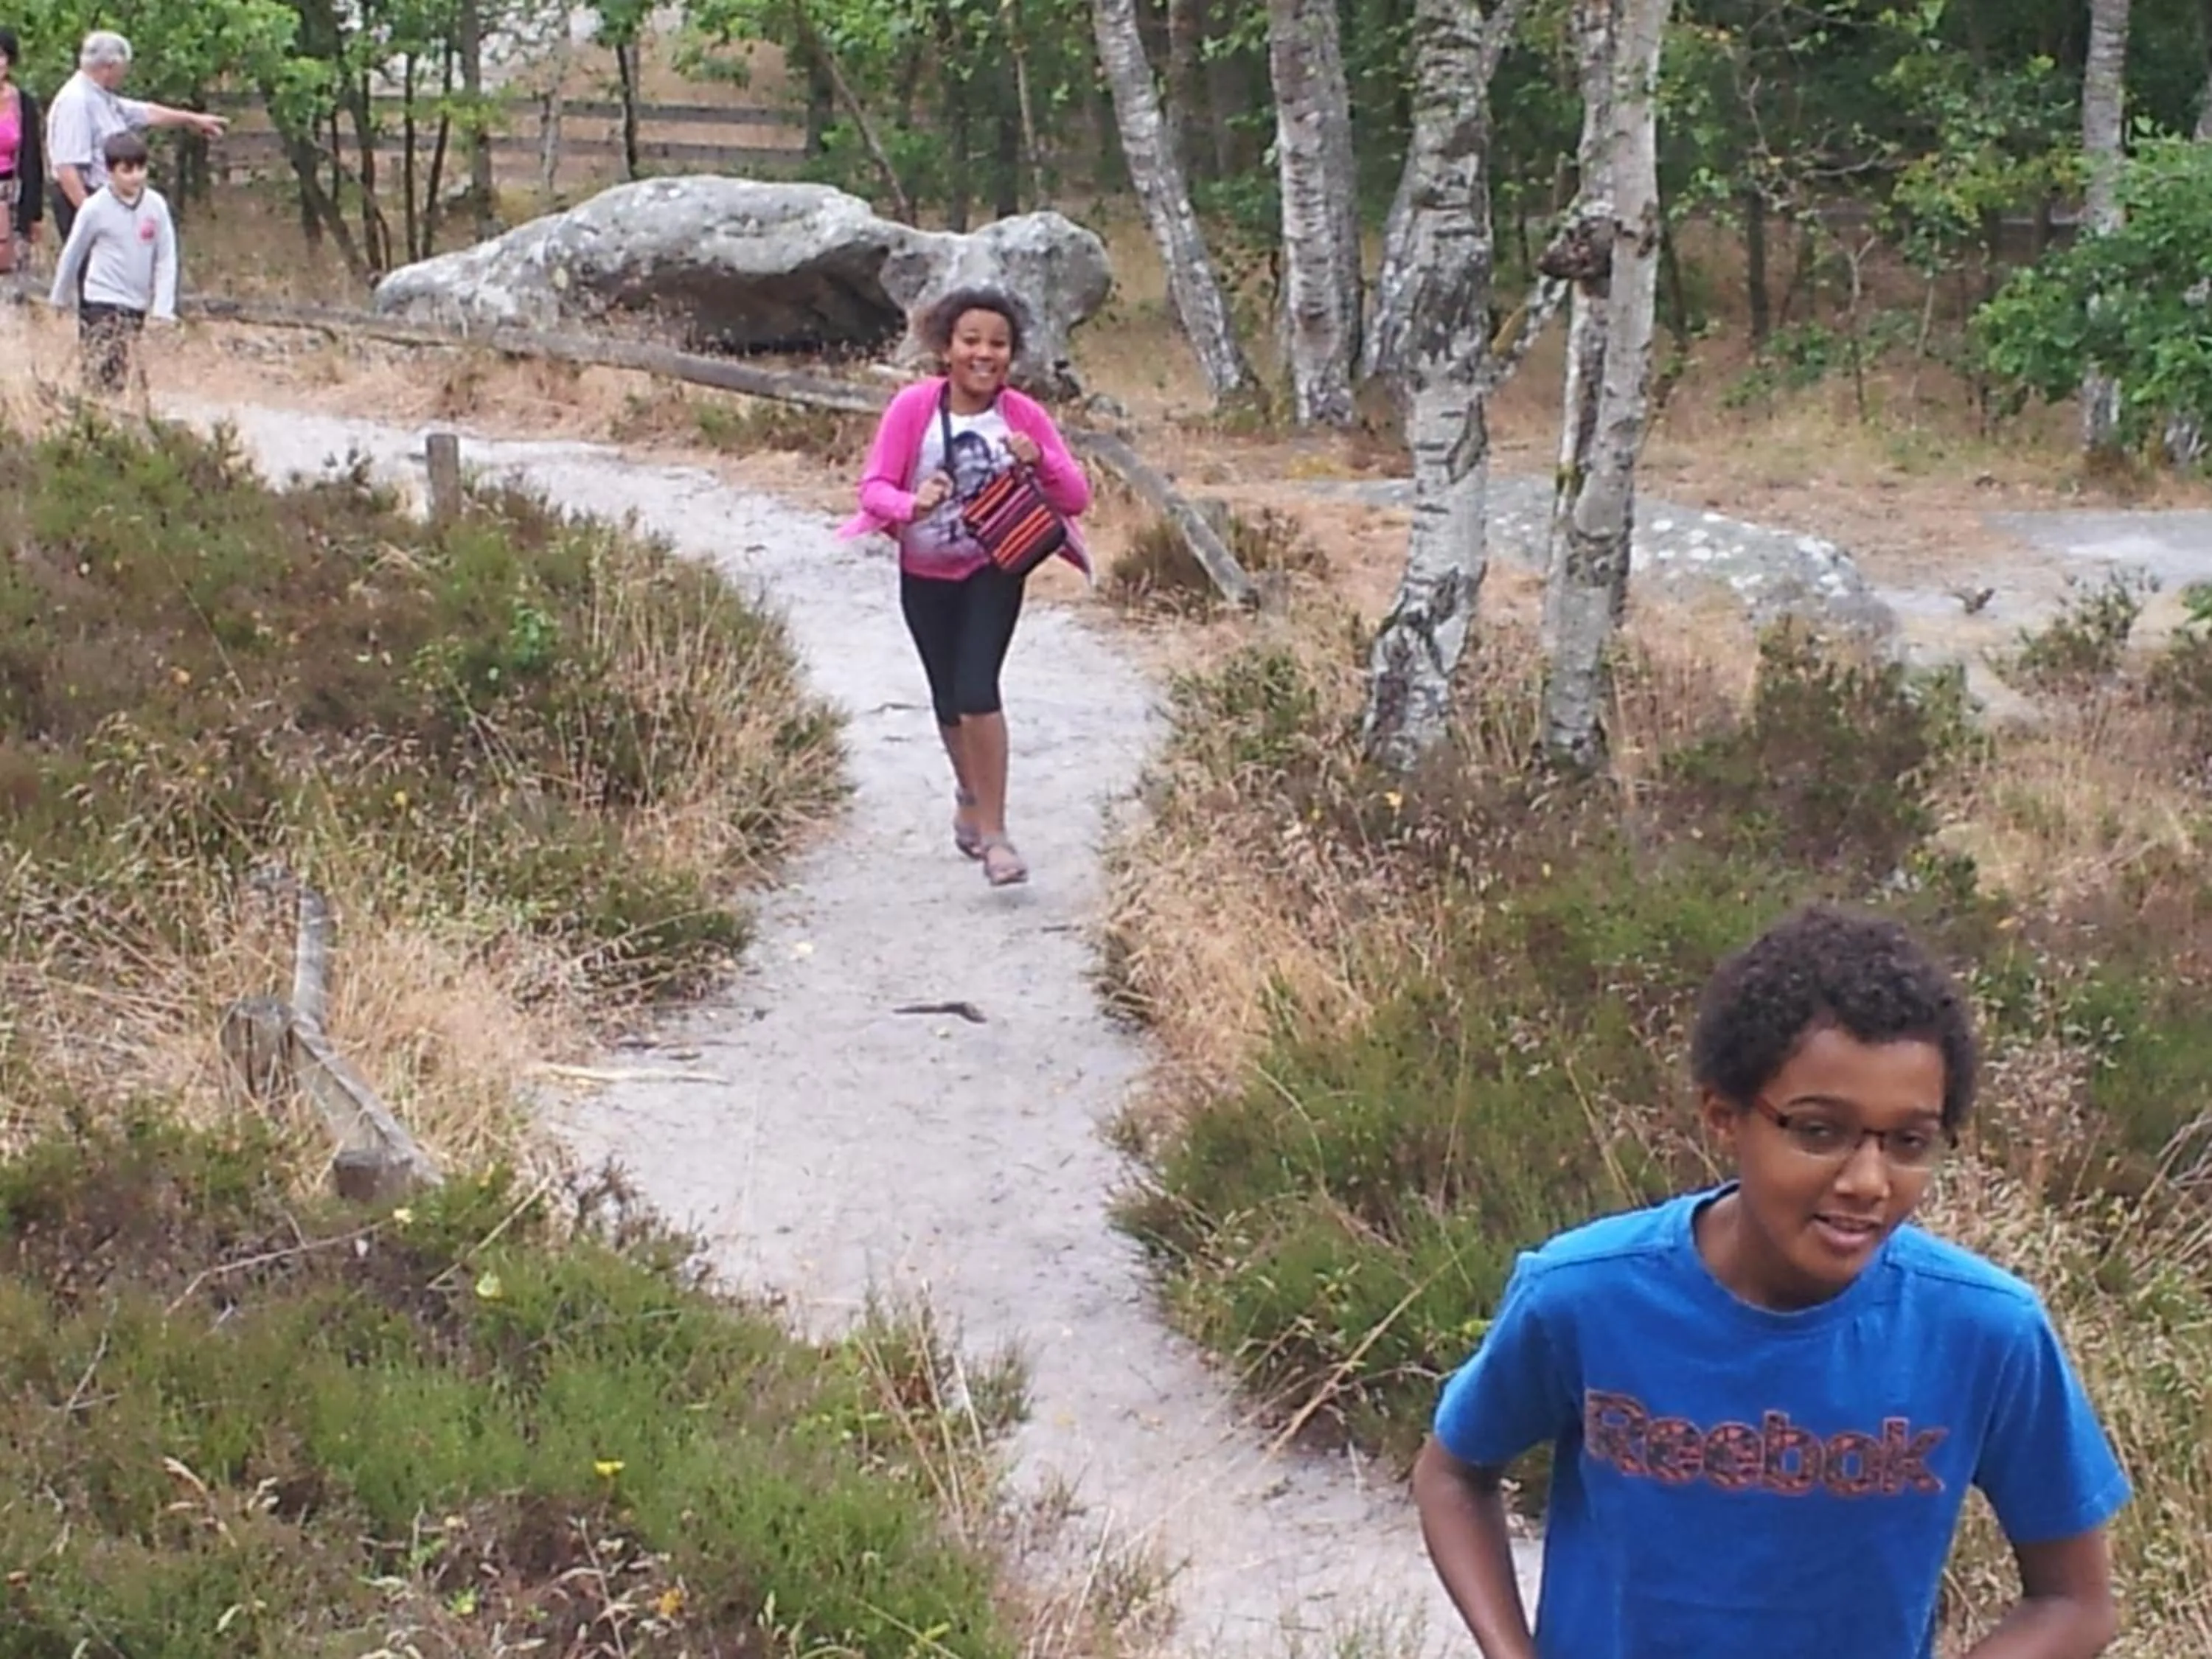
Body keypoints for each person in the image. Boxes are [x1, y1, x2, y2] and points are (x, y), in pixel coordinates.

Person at [1415, 904, 2129, 1659]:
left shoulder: (1986, 1331)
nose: (1868, 1181)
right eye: (1819, 1131)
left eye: (1909, 1142)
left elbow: (2075, 1602)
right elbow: (1454, 1475)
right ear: (1724, 1115)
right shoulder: (1584, 1296)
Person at [841, 286, 1091, 888]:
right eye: (971, 341)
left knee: (978, 689)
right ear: (945, 348)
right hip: (925, 573)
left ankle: (997, 835)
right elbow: (873, 488)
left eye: (998, 344)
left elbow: (1076, 497)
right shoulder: (913, 407)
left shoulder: (1023, 415)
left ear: (1013, 354)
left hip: (995, 567)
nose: (985, 354)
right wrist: (912, 505)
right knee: (948, 698)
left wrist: (1041, 460)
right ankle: (968, 793)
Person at [44, 29, 224, 242]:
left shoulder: (102, 97)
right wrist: (93, 219)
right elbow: (67, 170)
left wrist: (192, 119)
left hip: (111, 200)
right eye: (123, 68)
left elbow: (145, 112)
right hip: (87, 201)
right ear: (109, 67)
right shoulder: (75, 101)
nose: (125, 74)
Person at [49, 131, 175, 392]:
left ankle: (115, 408)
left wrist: (163, 307)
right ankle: (93, 407)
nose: (136, 176)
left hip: (136, 300)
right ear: (110, 172)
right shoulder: (95, 208)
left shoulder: (155, 206)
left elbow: (165, 258)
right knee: (104, 363)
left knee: (127, 367)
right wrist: (59, 297)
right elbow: (74, 253)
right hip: (102, 297)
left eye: (141, 168)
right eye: (127, 170)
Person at [0, 29, 44, 298]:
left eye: (1, 55)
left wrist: (34, 214)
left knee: (13, 280)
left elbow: (33, 159)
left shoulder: (22, 103)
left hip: (13, 197)